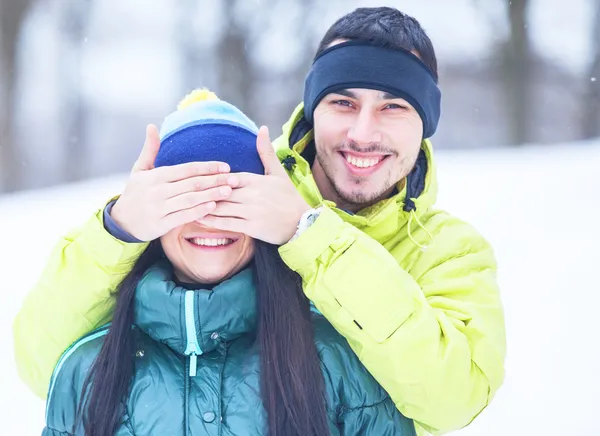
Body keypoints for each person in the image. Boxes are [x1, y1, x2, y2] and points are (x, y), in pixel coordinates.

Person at [15, 7, 506, 436]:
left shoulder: (450, 251)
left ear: (426, 125)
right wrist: (118, 229)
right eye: (343, 102)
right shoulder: (233, 183)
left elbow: (451, 399)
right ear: (314, 109)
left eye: (394, 106)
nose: (363, 131)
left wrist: (309, 237)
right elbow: (46, 366)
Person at [43, 90, 416, 436]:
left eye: (232, 196)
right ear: (152, 217)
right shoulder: (87, 368)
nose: (208, 217)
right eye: (186, 198)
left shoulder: (335, 356)